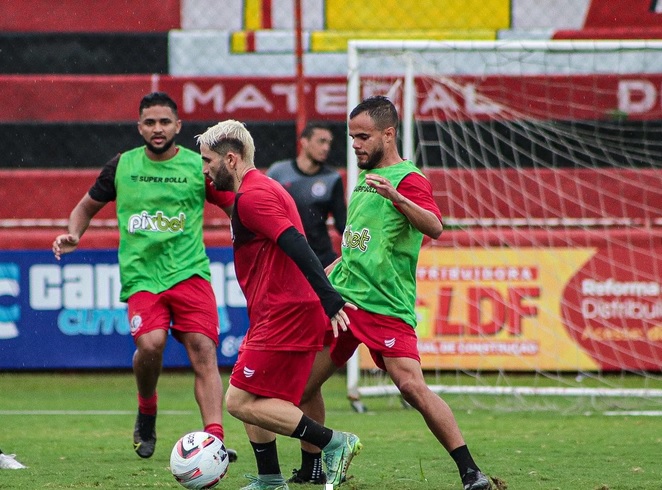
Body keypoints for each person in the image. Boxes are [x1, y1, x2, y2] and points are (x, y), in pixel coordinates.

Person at [293, 96, 492, 490]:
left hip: (384, 306)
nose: (356, 145)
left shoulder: (407, 179)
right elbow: (354, 249)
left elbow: (435, 227)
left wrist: (399, 199)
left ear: (388, 133)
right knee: (301, 386)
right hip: (345, 304)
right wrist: (319, 280)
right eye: (352, 137)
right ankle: (313, 465)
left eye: (363, 136)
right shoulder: (364, 181)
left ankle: (471, 472)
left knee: (412, 387)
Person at [52, 92, 237, 463]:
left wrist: (253, 231)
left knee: (204, 351)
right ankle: (147, 409)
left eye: (164, 122)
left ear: (178, 127)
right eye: (150, 122)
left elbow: (235, 203)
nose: (157, 129)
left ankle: (214, 439)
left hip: (190, 273)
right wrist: (74, 233)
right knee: (150, 345)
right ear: (139, 127)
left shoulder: (197, 165)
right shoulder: (121, 166)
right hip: (142, 278)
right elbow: (85, 207)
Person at [197, 119, 361, 490]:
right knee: (255, 393)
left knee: (238, 400)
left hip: (284, 312)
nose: (205, 170)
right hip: (280, 310)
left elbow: (295, 244)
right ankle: (271, 478)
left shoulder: (254, 197)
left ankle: (334, 442)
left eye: (209, 161)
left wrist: (329, 297)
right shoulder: (263, 186)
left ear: (232, 159)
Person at [266, 122, 346, 268]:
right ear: (304, 142)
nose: (326, 148)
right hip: (286, 257)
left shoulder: (332, 179)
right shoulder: (278, 173)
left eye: (329, 143)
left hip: (320, 259)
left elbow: (342, 224)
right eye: (321, 141)